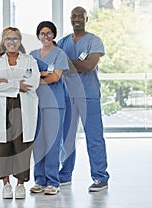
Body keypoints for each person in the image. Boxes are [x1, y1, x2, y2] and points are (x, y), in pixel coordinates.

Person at [57, 6, 110, 192]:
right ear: (70, 19)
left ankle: (100, 177)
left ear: (86, 19)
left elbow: (88, 66)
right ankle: (64, 175)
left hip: (89, 95)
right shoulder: (63, 42)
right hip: (67, 96)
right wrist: (70, 64)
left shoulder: (94, 41)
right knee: (67, 138)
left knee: (94, 137)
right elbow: (55, 65)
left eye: (81, 16)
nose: (77, 19)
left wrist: (66, 63)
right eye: (74, 16)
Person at [0, 27, 40, 199]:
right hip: (1, 107)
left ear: (20, 41)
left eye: (15, 39)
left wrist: (6, 82)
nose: (11, 42)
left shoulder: (29, 60)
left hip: (23, 107)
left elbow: (33, 83)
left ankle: (20, 185)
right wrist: (17, 85)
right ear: (3, 41)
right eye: (8, 39)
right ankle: (6, 184)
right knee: (2, 146)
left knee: (21, 146)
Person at [29, 21, 69, 195]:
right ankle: (39, 180)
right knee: (38, 142)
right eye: (42, 34)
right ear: (38, 36)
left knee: (52, 143)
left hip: (54, 104)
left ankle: (53, 181)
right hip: (35, 103)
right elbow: (25, 75)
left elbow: (55, 78)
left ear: (54, 35)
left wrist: (37, 78)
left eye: (49, 33)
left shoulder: (60, 54)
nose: (45, 37)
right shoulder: (32, 55)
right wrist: (42, 75)